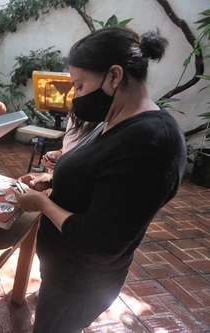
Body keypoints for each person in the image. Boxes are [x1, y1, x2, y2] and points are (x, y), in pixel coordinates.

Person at [16, 27, 186, 332]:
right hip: (64, 272)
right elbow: (102, 180)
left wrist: (42, 202)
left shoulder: (151, 143)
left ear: (114, 76)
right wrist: (53, 179)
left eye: (80, 86)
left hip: (81, 283)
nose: (75, 96)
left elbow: (101, 241)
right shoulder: (117, 119)